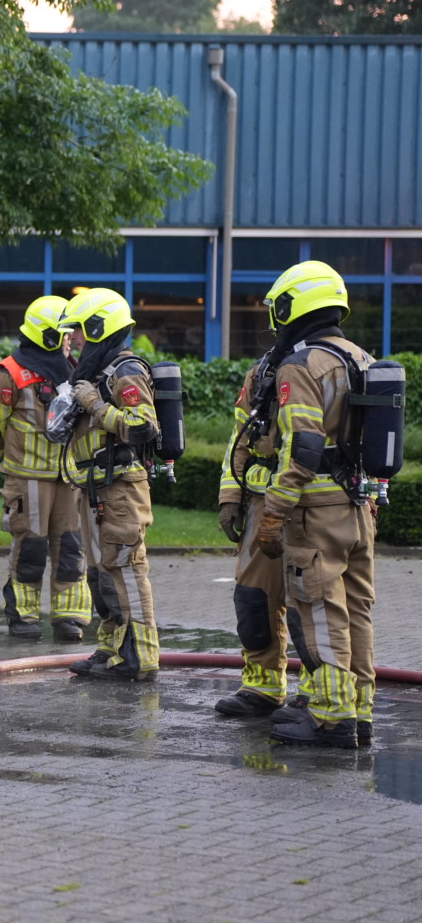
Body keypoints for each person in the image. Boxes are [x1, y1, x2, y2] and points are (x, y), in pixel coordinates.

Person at [246, 262, 378, 749]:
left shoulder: (299, 365)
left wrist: (276, 508)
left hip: (314, 511)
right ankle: (359, 713)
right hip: (357, 507)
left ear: (293, 305)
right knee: (357, 611)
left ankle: (330, 717)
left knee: (320, 610)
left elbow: (303, 445)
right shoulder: (360, 358)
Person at [58, 288, 162, 682]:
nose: (74, 340)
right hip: (96, 486)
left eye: (80, 331)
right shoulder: (95, 373)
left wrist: (95, 406)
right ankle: (112, 648)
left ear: (99, 327)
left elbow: (142, 427)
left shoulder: (125, 370)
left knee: (127, 569)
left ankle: (142, 657)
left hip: (120, 487)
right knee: (102, 573)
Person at [0, 295, 89, 641]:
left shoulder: (75, 371)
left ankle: (69, 618)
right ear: (48, 335)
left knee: (71, 548)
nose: (71, 338)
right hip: (28, 477)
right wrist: (16, 455)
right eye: (65, 332)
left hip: (68, 477)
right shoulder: (9, 372)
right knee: (30, 548)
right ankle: (24, 618)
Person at [213, 354, 292, 718]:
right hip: (262, 503)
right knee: (252, 598)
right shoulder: (262, 372)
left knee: (315, 603)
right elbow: (239, 436)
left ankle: (318, 696)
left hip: (320, 505)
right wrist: (230, 497)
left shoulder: (335, 366)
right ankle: (262, 686)